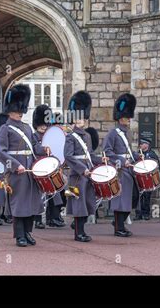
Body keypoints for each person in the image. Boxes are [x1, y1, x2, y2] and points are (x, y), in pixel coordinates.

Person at [0, 84, 50, 247]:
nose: (19, 112)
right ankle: (19, 235)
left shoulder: (27, 128)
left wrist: (44, 149)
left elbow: (34, 147)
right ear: (10, 110)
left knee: (31, 203)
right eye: (17, 110)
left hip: (30, 171)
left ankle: (28, 232)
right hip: (17, 172)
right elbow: (1, 151)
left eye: (21, 110)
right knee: (19, 204)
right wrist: (15, 166)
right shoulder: (5, 129)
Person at [64, 91, 105, 242]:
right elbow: (68, 156)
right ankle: (78, 233)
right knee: (79, 204)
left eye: (82, 118)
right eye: (78, 118)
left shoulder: (87, 136)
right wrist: (83, 169)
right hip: (77, 175)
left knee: (88, 203)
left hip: (88, 174)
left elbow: (89, 155)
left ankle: (80, 228)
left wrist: (101, 160)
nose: (81, 120)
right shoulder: (70, 136)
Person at [102, 93, 138, 237]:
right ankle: (119, 227)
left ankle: (120, 223)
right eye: (126, 117)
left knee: (133, 197)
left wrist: (136, 156)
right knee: (121, 200)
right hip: (121, 170)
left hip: (129, 169)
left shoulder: (128, 132)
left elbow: (128, 151)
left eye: (129, 117)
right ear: (120, 117)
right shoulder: (113, 133)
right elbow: (107, 152)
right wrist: (122, 162)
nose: (128, 120)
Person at [32, 104, 65, 228]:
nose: (43, 126)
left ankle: (53, 217)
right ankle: (38, 219)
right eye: (41, 124)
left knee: (55, 193)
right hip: (39, 168)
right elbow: (35, 149)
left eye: (45, 124)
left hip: (51, 168)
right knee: (39, 195)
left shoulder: (51, 135)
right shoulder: (33, 136)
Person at [136, 138, 160, 221]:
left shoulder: (152, 154)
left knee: (147, 197)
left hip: (149, 179)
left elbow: (157, 165)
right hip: (140, 178)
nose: (140, 145)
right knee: (139, 197)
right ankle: (139, 214)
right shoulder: (138, 154)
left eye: (142, 144)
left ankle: (146, 213)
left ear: (147, 145)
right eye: (140, 144)